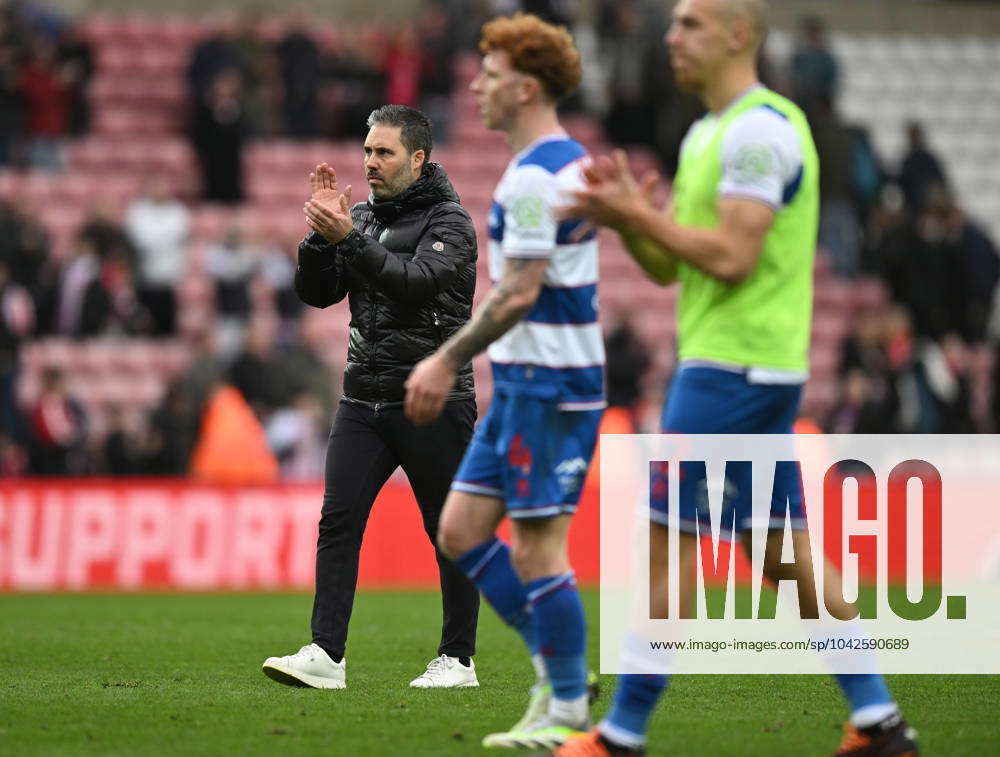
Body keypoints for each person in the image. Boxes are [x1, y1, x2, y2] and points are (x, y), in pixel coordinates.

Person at [554, 1, 919, 755]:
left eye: (690, 23)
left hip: (732, 367)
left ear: (738, 33)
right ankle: (879, 718)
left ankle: (620, 734)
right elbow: (674, 266)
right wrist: (628, 216)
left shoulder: (761, 130)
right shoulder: (703, 135)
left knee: (666, 540)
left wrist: (639, 217)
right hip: (745, 364)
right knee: (780, 547)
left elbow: (732, 256)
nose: (671, 37)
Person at [404, 13, 604, 750]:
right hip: (530, 381)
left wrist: (446, 357)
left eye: (488, 75)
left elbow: (519, 291)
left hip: (550, 384)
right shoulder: (561, 164)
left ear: (523, 88)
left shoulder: (536, 177)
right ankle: (565, 675)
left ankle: (565, 705)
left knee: (538, 548)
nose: (475, 86)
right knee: (459, 531)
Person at [261, 104, 481, 690]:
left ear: (418, 158)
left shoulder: (451, 224)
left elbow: (413, 285)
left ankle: (458, 659)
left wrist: (348, 240)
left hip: (432, 399)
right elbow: (318, 293)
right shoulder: (359, 218)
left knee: (449, 530)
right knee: (338, 520)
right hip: (363, 398)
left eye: (383, 153)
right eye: (366, 152)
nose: (371, 163)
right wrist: (317, 238)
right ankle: (325, 653)